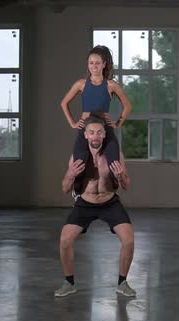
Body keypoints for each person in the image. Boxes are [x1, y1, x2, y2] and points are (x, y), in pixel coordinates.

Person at [54, 113, 136, 298]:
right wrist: (70, 174)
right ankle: (69, 283)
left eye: (99, 132)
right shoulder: (77, 156)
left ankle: (122, 283)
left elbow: (127, 185)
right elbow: (65, 188)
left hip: (110, 202)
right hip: (85, 203)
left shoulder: (115, 156)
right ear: (86, 135)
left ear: (105, 134)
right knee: (65, 240)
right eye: (92, 132)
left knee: (129, 240)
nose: (96, 136)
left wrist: (121, 175)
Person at [60, 45, 132, 191]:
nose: (94, 66)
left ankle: (111, 191)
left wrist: (117, 123)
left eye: (98, 63)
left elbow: (128, 106)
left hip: (105, 127)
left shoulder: (111, 85)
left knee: (114, 162)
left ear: (104, 64)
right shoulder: (81, 84)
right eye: (91, 63)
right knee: (79, 161)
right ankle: (79, 193)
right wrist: (73, 123)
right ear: (88, 64)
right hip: (85, 128)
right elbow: (64, 103)